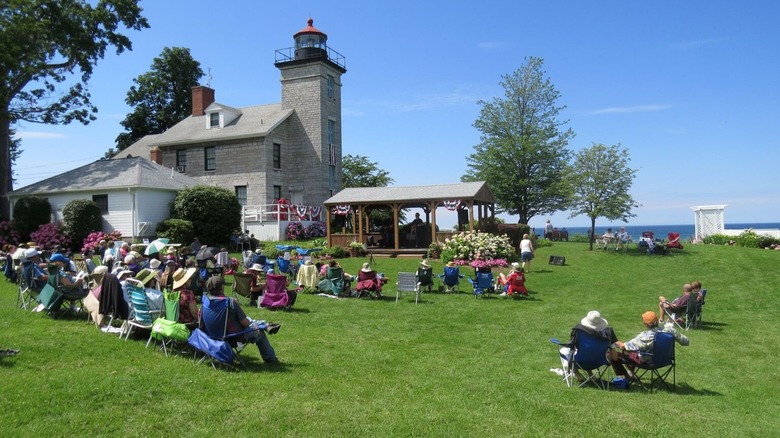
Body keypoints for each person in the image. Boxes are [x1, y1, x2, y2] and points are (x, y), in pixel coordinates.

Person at [203, 276, 280, 364]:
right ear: (221, 287)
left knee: (253, 323)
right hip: (231, 338)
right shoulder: (230, 303)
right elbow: (245, 323)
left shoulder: (205, 301)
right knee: (258, 331)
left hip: (210, 337)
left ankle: (264, 325)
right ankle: (270, 358)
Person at [555, 310, 628, 382]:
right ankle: (591, 375)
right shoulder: (608, 334)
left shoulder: (579, 332)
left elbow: (572, 347)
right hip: (599, 362)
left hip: (581, 361)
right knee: (591, 353)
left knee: (565, 350)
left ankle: (576, 373)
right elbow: (614, 357)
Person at [615, 311, 689, 375]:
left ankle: (628, 376)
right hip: (666, 360)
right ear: (657, 320)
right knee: (633, 350)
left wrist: (613, 340)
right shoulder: (669, 330)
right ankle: (630, 374)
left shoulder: (645, 336)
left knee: (625, 351)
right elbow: (686, 342)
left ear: (645, 324)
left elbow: (624, 346)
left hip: (650, 362)